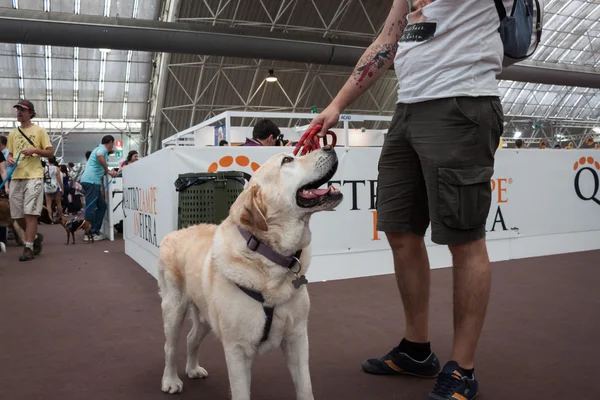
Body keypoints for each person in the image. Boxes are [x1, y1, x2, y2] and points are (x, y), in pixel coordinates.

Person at [309, 2, 506, 399]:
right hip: (408, 108)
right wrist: (336, 105)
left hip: (462, 102)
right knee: (399, 229)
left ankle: (463, 368)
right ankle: (417, 350)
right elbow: (388, 39)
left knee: (465, 239)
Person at [6, 99, 54, 261]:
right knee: (17, 215)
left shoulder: (39, 131)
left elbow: (50, 153)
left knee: (30, 213)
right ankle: (34, 236)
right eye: (18, 109)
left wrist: (35, 150)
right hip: (16, 176)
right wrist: (10, 159)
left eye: (23, 110)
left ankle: (28, 247)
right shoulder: (13, 133)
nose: (19, 112)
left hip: (34, 176)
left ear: (31, 113)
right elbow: (11, 154)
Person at [80, 135, 119, 241]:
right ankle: (89, 233)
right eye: (113, 144)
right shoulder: (102, 149)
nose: (113, 146)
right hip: (91, 182)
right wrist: (107, 170)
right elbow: (99, 155)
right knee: (91, 208)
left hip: (91, 181)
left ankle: (94, 230)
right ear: (110, 142)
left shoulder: (98, 147)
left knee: (102, 206)